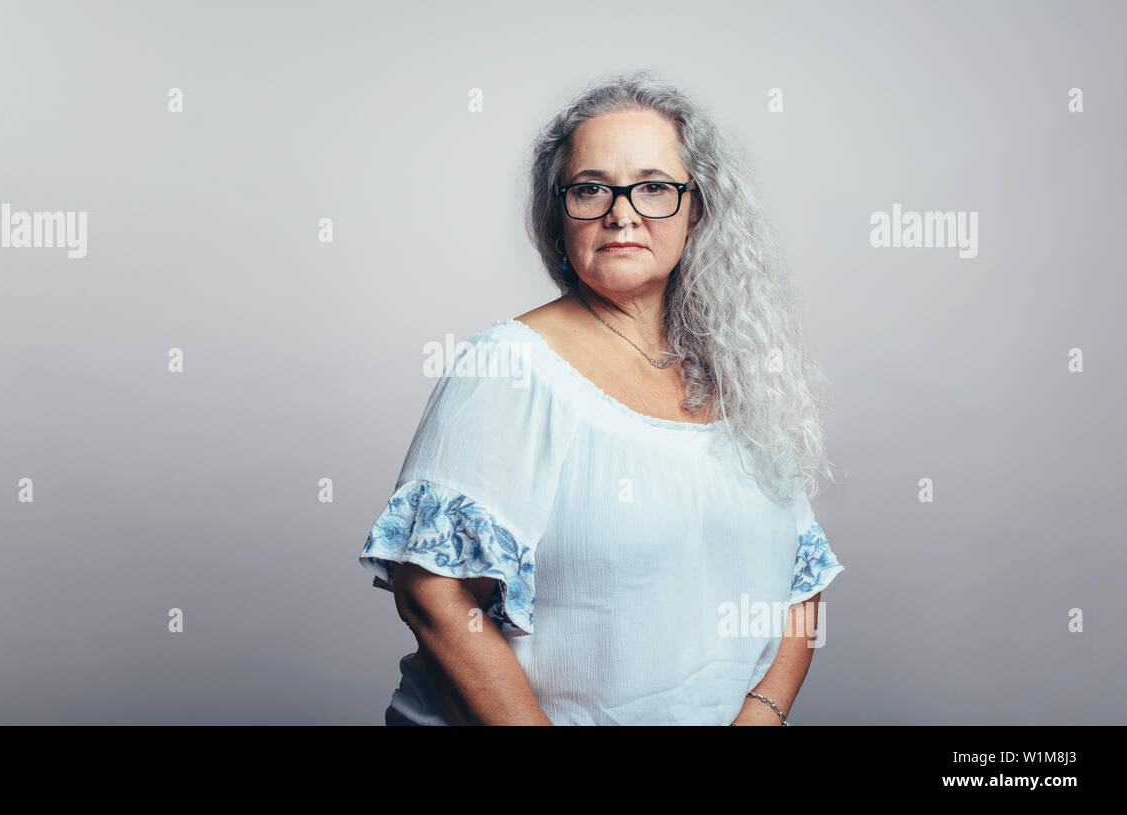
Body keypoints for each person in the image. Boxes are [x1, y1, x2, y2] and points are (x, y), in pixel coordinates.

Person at [359, 70, 845, 725]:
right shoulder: (509, 367)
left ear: (695, 208)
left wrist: (762, 713)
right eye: (591, 189)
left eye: (653, 187)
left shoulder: (741, 373)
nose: (622, 212)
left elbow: (800, 577)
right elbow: (433, 593)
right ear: (560, 217)